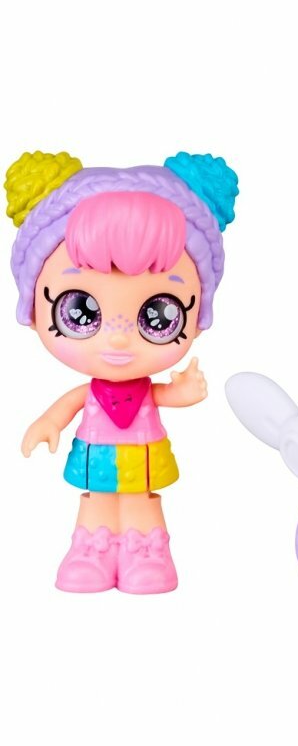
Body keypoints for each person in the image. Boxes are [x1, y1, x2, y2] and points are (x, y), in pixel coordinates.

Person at [6, 150, 238, 593]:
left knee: (141, 501)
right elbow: (71, 403)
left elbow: (161, 395)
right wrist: (49, 422)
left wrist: (183, 392)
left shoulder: (142, 385)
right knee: (95, 500)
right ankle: (90, 550)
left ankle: (146, 551)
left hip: (142, 454)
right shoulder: (92, 389)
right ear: (33, 307)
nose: (117, 339)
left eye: (158, 315)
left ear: (198, 314)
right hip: (97, 454)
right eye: (80, 310)